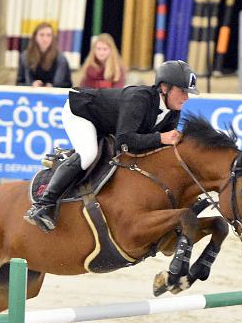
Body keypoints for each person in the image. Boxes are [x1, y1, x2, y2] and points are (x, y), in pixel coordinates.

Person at [24, 60, 198, 231]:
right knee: (88, 154)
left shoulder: (173, 111)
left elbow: (160, 149)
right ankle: (43, 205)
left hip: (107, 123)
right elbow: (125, 141)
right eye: (182, 91)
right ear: (165, 88)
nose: (186, 97)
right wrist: (160, 138)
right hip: (81, 113)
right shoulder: (139, 99)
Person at [16, 22, 73, 88]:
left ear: (52, 38)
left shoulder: (61, 58)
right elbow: (19, 83)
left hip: (53, 96)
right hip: (31, 95)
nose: (45, 39)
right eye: (41, 35)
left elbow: (68, 84)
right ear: (35, 37)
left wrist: (53, 86)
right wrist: (31, 85)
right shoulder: (25, 56)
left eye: (48, 35)